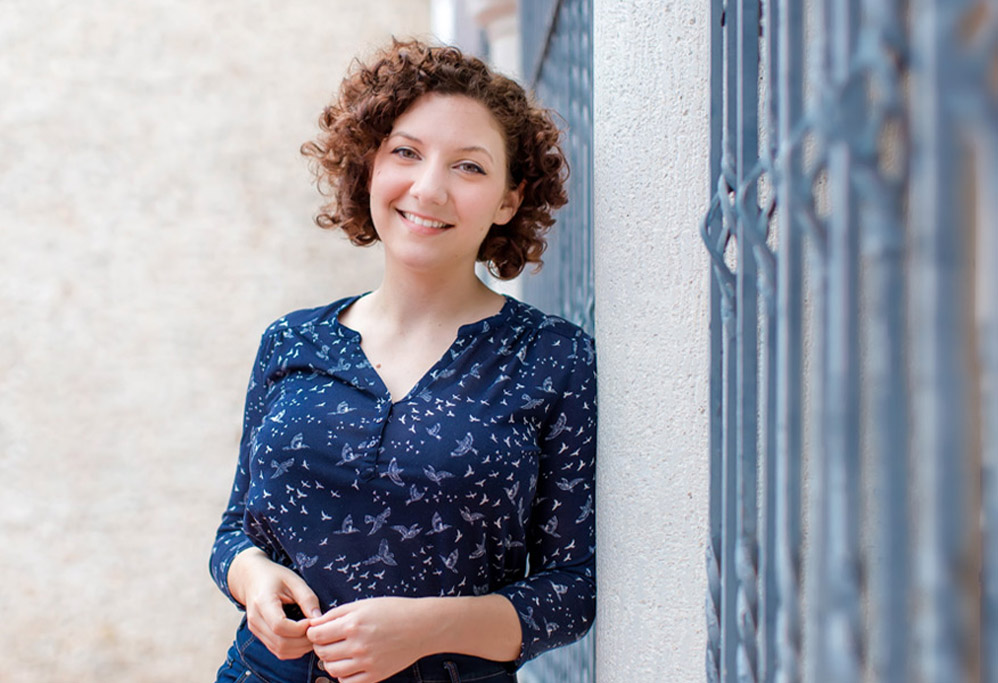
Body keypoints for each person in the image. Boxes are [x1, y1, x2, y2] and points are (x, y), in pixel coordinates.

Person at [209, 38, 596, 683]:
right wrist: (252, 581)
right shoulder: (291, 340)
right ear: (368, 168)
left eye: (469, 167)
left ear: (509, 198)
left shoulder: (553, 358)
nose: (429, 188)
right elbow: (234, 530)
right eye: (406, 153)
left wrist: (427, 628)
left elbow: (574, 590)